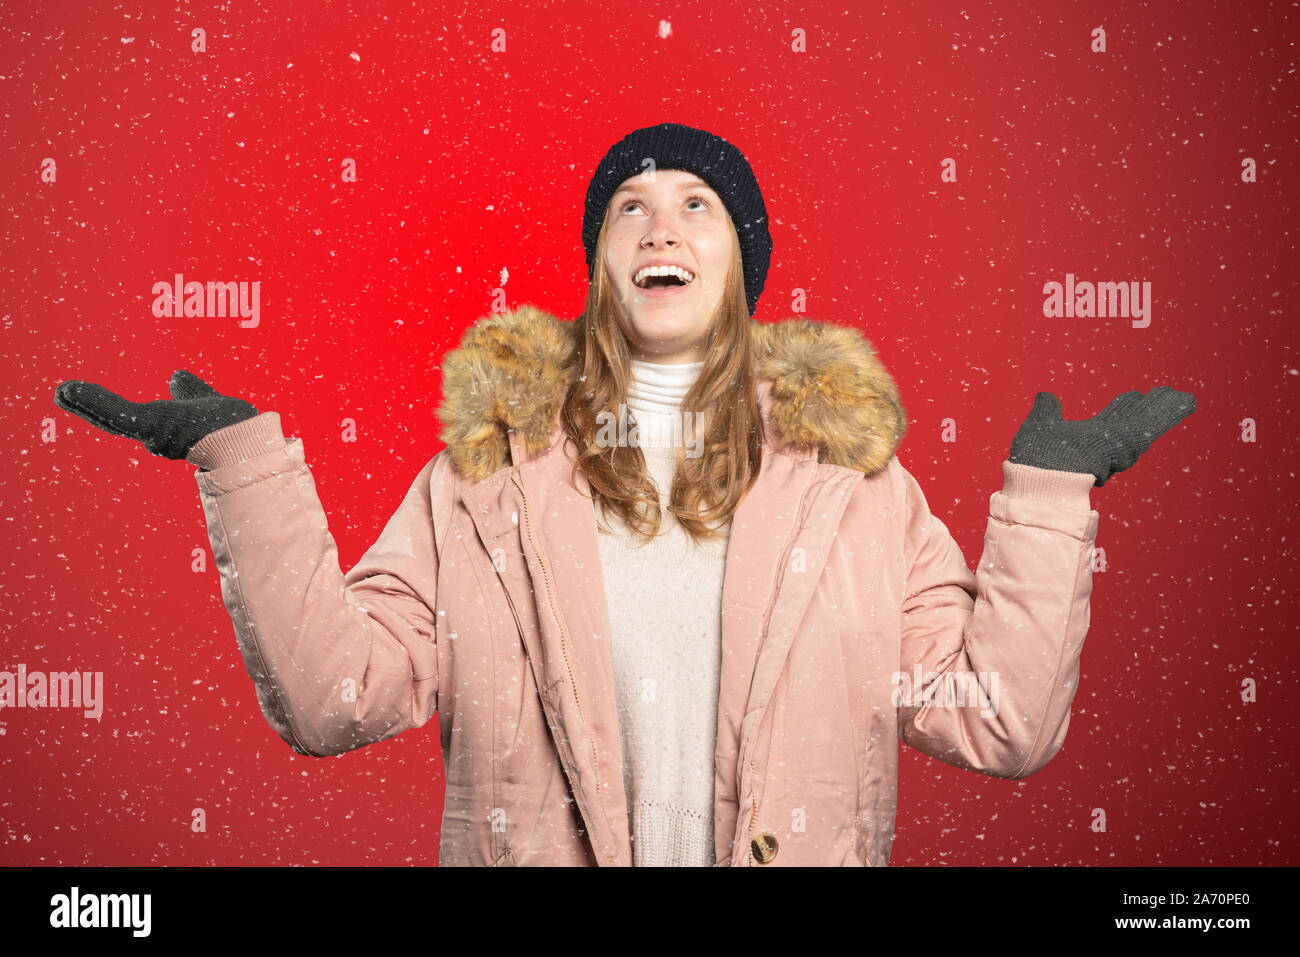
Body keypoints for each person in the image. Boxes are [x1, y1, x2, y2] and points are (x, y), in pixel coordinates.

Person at [52, 122, 1196, 867]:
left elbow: (998, 722)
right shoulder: (481, 483)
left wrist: (1048, 497)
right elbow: (336, 699)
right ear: (602, 260)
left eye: (698, 205)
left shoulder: (856, 494)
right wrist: (241, 460)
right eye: (628, 208)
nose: (660, 223)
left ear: (742, 262)